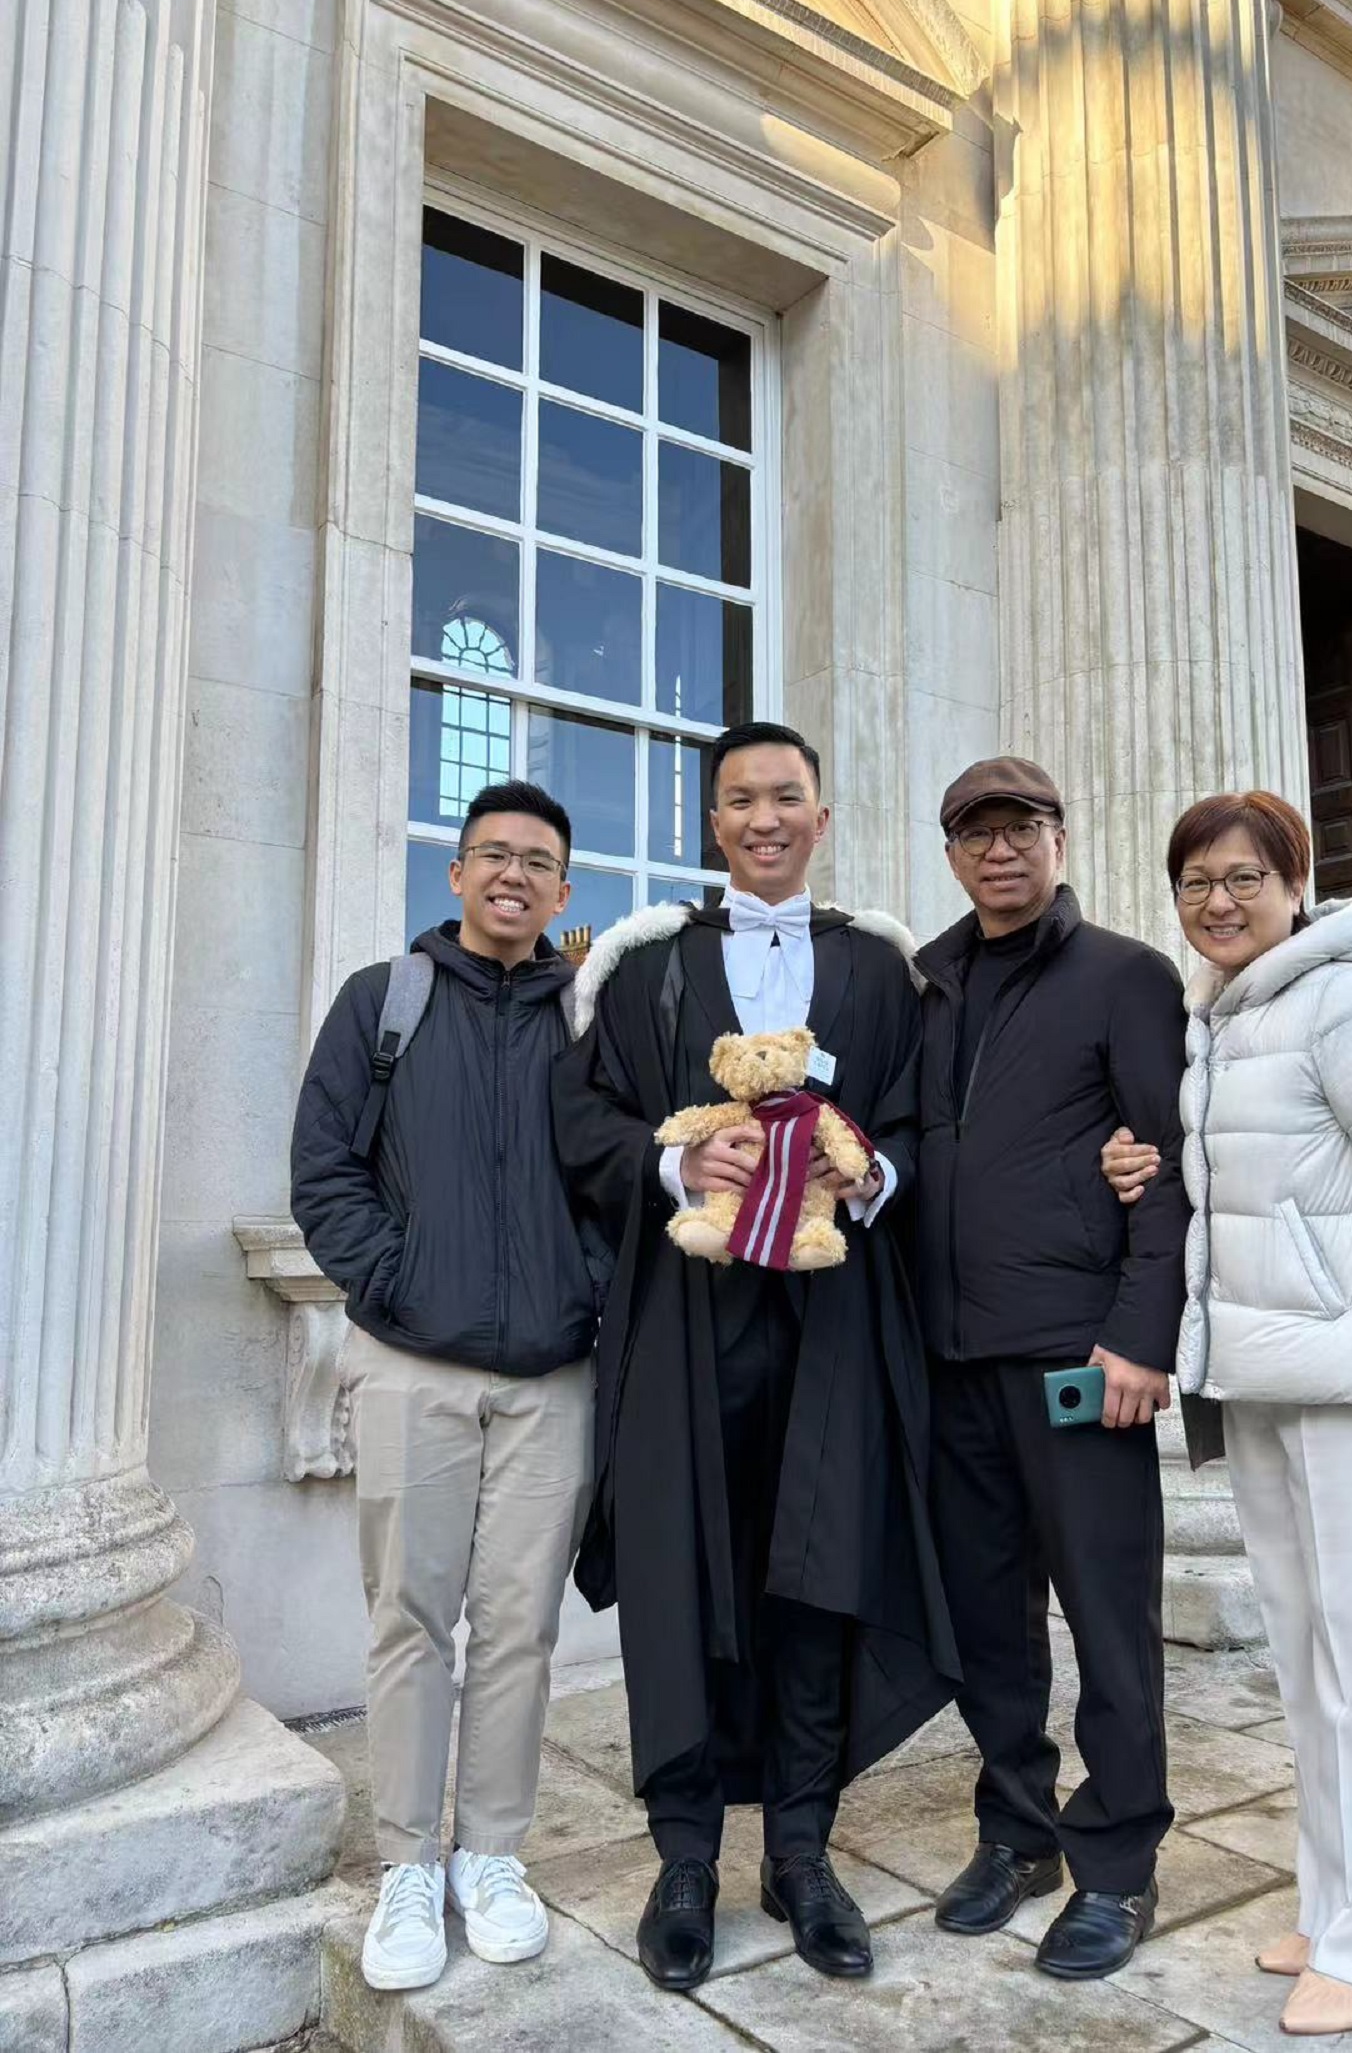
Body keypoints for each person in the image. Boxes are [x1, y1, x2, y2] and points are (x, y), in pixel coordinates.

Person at [553, 720, 959, 1994]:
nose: (766, 818)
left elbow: (919, 1124)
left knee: (814, 1573)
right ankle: (684, 1858)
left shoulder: (882, 975)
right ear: (711, 824)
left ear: (821, 819)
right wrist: (679, 1163)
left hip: (835, 1319)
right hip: (687, 1315)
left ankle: (800, 1847)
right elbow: (587, 1120)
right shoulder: (643, 971)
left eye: (788, 797)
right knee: (681, 1577)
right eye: (741, 801)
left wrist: (869, 1171)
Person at [1102, 789, 1352, 2037]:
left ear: (1294, 881)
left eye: (1240, 878)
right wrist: (1145, 1164)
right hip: (1263, 1387)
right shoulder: (1215, 1021)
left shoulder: (1343, 1003)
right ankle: (1334, 1904)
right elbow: (1261, 1187)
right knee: (1309, 1665)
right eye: (1194, 884)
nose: (1215, 903)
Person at [291, 780, 598, 1992]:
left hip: (550, 1376)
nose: (514, 876)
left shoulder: (587, 1022)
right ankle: (409, 1864)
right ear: (459, 874)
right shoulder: (387, 1002)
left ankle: (494, 1854)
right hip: (412, 1366)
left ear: (564, 895)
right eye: (493, 857)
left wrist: (589, 1290)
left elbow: (621, 1178)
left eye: (538, 863)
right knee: (410, 1622)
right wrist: (395, 1282)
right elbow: (324, 1170)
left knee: (519, 1628)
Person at [913, 757, 1190, 1983]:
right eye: (976, 833)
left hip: (1081, 1356)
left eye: (1021, 827)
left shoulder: (1127, 976)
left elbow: (1169, 1167)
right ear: (954, 855)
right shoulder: (921, 981)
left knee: (1108, 1619)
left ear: (1059, 840)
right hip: (951, 1359)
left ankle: (1117, 1864)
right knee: (989, 1624)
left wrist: (1139, 1333)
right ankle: (1015, 1832)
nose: (999, 850)